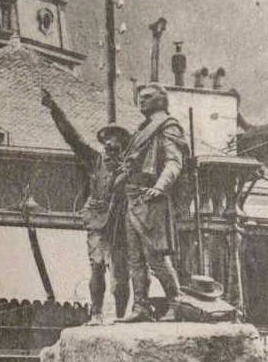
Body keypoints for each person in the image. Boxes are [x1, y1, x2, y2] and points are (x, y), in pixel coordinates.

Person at [41, 87, 132, 324]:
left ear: (123, 147)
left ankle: (122, 316)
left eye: (115, 147)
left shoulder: (130, 168)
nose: (110, 150)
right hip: (98, 220)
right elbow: (73, 138)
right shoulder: (95, 161)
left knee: (121, 272)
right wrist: (55, 110)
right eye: (107, 146)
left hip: (121, 223)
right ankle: (97, 313)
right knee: (97, 266)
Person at [122, 82, 188, 322]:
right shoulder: (143, 129)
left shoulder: (168, 126)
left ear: (161, 100)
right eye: (140, 97)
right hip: (132, 197)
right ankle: (140, 306)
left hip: (151, 199)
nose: (142, 101)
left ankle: (176, 302)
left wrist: (160, 186)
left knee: (155, 257)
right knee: (134, 258)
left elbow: (174, 162)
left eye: (148, 97)